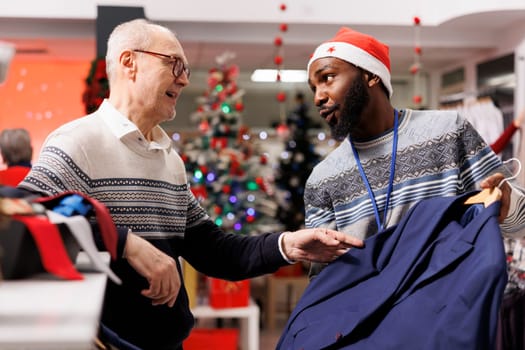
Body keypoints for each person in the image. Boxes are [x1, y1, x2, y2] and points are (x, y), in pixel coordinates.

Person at [18, 19, 362, 350]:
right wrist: (126, 243)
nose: (183, 80)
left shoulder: (167, 157)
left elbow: (214, 251)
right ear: (129, 62)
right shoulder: (78, 143)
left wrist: (289, 245)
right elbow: (26, 217)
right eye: (174, 65)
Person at [303, 26, 525, 278]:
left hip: (447, 309)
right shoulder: (322, 179)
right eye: (314, 88)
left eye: (328, 78)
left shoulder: (447, 131)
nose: (318, 97)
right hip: (367, 314)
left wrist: (507, 201)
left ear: (370, 75)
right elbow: (322, 278)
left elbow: (521, 223)